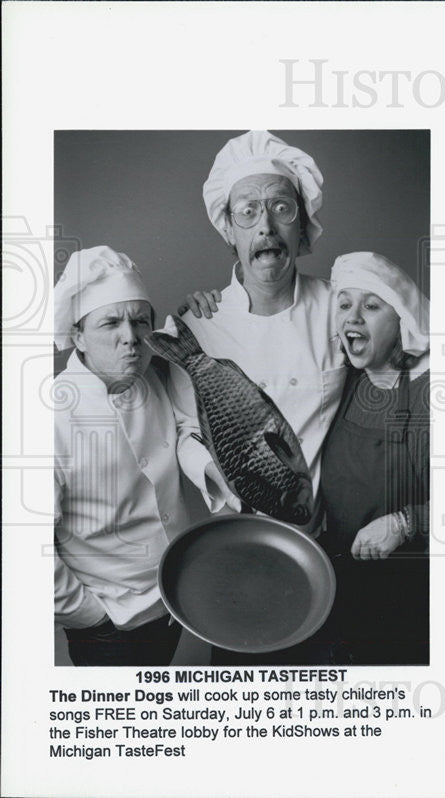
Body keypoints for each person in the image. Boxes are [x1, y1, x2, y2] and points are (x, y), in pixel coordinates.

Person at [166, 130, 347, 665]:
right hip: (242, 537)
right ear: (228, 229)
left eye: (281, 208)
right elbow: (184, 430)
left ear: (303, 226)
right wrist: (240, 480)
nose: (265, 225)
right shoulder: (196, 325)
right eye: (247, 211)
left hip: (334, 535)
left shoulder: (343, 307)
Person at [53, 246, 231, 666]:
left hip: (172, 602)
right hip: (111, 624)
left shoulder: (153, 377)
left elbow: (196, 368)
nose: (130, 337)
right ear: (78, 336)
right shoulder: (51, 414)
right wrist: (90, 616)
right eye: (110, 323)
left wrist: (199, 312)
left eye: (140, 320)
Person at [318, 251, 430, 665]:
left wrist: (404, 523)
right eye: (345, 305)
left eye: (371, 306)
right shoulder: (344, 381)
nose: (353, 318)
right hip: (342, 588)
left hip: (405, 600)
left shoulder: (426, 394)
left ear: (401, 319)